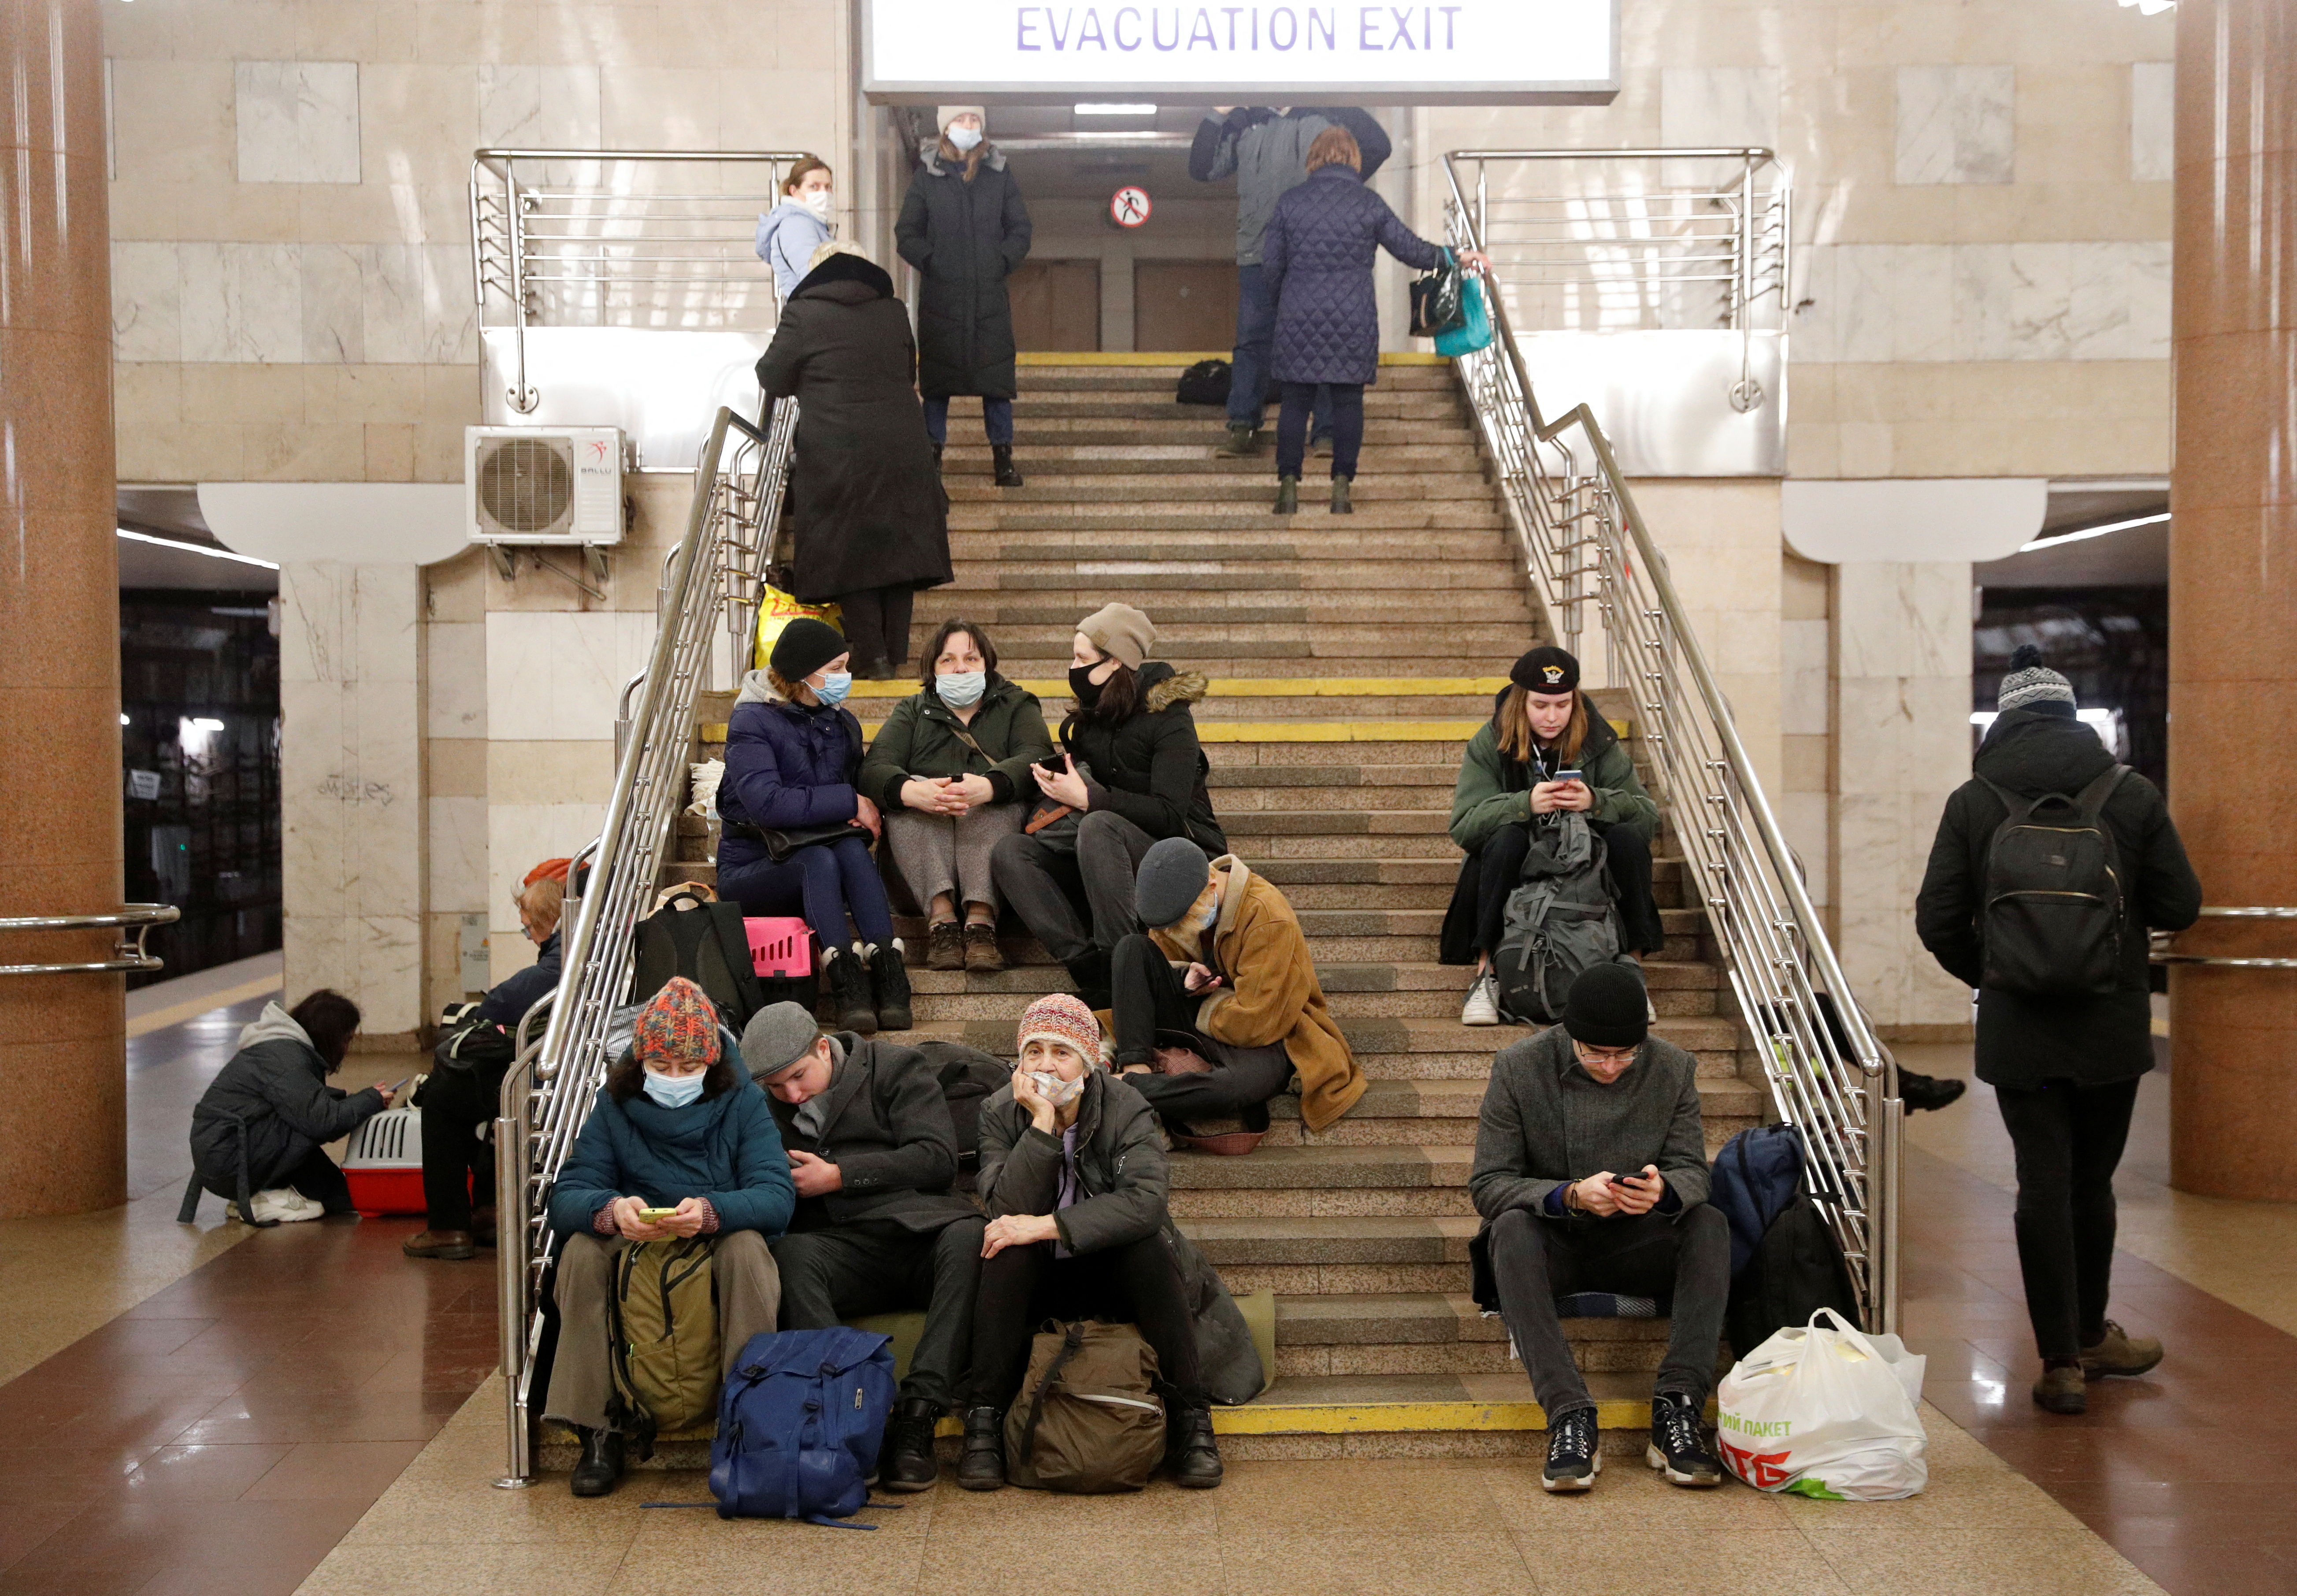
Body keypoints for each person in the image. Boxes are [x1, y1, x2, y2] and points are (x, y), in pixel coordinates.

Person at [1915, 644, 2201, 1416]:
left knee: (2039, 1180)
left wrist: (1995, 974)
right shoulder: (2128, 794)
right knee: (2090, 1183)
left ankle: (2060, 1359)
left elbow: (1935, 918)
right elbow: (2179, 905)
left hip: (2020, 1033)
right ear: (2071, 715)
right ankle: (2090, 1328)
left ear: (2003, 719)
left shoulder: (1974, 800)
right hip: (2109, 1026)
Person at [1468, 964, 1729, 1493]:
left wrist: (1664, 1190)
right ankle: (1568, 1414)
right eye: (1595, 1053)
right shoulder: (1519, 1067)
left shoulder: (1672, 1068)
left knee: (1708, 1222)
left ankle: (1676, 1408)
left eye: (1624, 1055)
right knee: (1509, 1228)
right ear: (1569, 1036)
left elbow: (1691, 1171)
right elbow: (1489, 1184)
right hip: (1553, 1240)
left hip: (1635, 1241)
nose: (1610, 1066)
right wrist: (1567, 1194)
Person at [958, 995, 1232, 1492]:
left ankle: (1192, 1420)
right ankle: (983, 1422)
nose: (1045, 1064)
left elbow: (1145, 1201)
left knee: (1148, 1246)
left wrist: (1046, 1226)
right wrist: (1041, 1122)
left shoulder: (1126, 1107)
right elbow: (1006, 1206)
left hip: (1111, 1271)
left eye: (1061, 1052)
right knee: (1004, 1249)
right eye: (1033, 1051)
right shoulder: (999, 1111)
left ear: (1088, 1063)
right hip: (1040, 1278)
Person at [545, 978, 794, 1498]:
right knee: (579, 1252)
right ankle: (598, 1430)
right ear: (639, 1063)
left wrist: (710, 1212)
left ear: (712, 1063)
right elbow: (567, 1195)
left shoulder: (743, 1101)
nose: (675, 1078)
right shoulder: (613, 1103)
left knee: (748, 1248)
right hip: (634, 1236)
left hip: (712, 1232)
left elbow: (774, 1195)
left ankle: (747, 1422)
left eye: (688, 1067)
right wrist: (610, 1210)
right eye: (661, 1067)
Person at [742, 1001, 988, 1492]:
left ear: (822, 1047)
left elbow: (936, 1159)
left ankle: (919, 1414)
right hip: (839, 1246)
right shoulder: (762, 1108)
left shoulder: (895, 1067)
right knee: (791, 1255)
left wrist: (838, 1176)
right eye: (776, 1087)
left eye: (798, 1076)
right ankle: (846, 1415)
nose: (791, 1094)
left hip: (917, 1231)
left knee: (969, 1236)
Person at [988, 604, 1225, 1009]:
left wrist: (1088, 798)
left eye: (1082, 659)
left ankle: (1122, 966)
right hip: (1104, 858)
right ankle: (1090, 970)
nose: (1073, 667)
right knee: (1011, 852)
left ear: (1115, 662)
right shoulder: (1089, 720)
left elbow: (1170, 815)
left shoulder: (1170, 720)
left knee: (1099, 824)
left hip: (1182, 855)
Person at [1261, 124, 1488, 515]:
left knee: (1296, 403)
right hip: (1353, 317)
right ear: (1353, 158)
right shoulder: (1368, 203)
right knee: (1348, 403)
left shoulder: (1290, 202)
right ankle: (1341, 490)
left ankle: (1287, 489)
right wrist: (1456, 255)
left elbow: (1270, 268)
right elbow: (1410, 250)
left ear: (1313, 158)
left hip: (1298, 313)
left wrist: (1284, 301)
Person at [755, 240, 951, 681]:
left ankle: (871, 656)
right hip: (903, 443)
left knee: (851, 548)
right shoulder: (892, 310)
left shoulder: (803, 312)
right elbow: (908, 371)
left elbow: (770, 374)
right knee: (899, 550)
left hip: (836, 447)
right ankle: (894, 658)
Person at [1440, 646, 1664, 1026]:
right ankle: (1486, 976)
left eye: (1562, 705)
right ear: (1520, 702)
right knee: (1505, 839)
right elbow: (1464, 826)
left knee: (1628, 840)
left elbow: (1647, 818)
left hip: (1584, 861)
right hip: (1517, 856)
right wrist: (1525, 804)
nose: (1551, 716)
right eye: (1540, 705)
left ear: (1574, 702)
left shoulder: (1599, 740)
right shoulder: (1491, 741)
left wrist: (1595, 801)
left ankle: (1631, 978)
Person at [716, 616, 913, 1036]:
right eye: (837, 668)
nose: (846, 677)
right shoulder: (751, 722)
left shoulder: (841, 723)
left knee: (848, 850)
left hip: (821, 853)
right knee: (819, 860)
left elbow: (856, 789)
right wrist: (848, 801)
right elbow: (767, 804)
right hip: (754, 867)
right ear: (805, 673)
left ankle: (889, 973)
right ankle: (847, 984)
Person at [1113, 836, 1364, 1140]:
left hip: (1267, 1030)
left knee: (1233, 1088)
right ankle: (1134, 1069)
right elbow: (1163, 960)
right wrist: (1183, 981)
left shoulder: (1267, 915)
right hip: (1208, 1013)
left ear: (1211, 885)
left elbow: (1257, 1021)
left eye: (1184, 923)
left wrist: (1208, 1001)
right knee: (1131, 948)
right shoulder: (1176, 900)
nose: (1176, 932)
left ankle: (1119, 1089)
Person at [1189, 105, 1392, 459]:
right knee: (1253, 342)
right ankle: (1243, 426)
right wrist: (1217, 115)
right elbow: (1202, 169)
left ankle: (1326, 433)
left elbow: (1377, 146)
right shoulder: (1245, 122)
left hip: (1318, 251)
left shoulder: (1328, 118)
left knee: (1325, 338)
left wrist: (1337, 100)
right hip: (1259, 252)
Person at [859, 618, 1053, 974]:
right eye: (947, 660)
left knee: (994, 801)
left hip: (998, 866)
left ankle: (981, 923)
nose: (960, 667)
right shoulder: (913, 710)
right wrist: (913, 791)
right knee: (907, 797)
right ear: (933, 669)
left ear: (987, 664)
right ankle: (942, 922)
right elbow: (874, 768)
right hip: (917, 870)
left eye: (971, 659)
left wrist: (990, 786)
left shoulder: (1017, 705)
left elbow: (1037, 756)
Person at [402, 868, 565, 1261]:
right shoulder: (579, 951)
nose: (527, 934)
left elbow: (497, 1004)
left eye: (528, 927)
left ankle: (447, 1228)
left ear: (545, 923)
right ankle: (489, 1211)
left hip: (535, 1078)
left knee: (443, 1100)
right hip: (545, 1069)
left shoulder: (554, 965)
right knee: (488, 1095)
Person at [895, 106, 1032, 489]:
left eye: (974, 121)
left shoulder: (1000, 175)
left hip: (989, 296)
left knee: (997, 385)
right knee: (937, 385)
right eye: (961, 121)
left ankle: (1003, 459)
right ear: (946, 128)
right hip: (943, 297)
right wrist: (933, 262)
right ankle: (931, 459)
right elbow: (907, 232)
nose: (968, 127)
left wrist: (1000, 261)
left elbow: (1020, 228)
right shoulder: (927, 177)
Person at [187, 989, 391, 1220]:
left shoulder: (284, 1049)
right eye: (347, 1040)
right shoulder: (286, 1058)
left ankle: (258, 1196)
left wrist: (355, 1101)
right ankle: (257, 1201)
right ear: (330, 1036)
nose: (347, 1049)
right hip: (230, 1165)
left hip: (228, 1152)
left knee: (336, 1194)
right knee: (306, 1126)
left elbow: (307, 1101)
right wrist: (369, 1100)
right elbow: (322, 1122)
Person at [754, 154, 836, 302]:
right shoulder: (796, 224)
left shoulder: (810, 222)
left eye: (828, 187)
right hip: (813, 311)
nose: (823, 192)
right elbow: (814, 275)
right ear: (794, 191)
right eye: (814, 186)